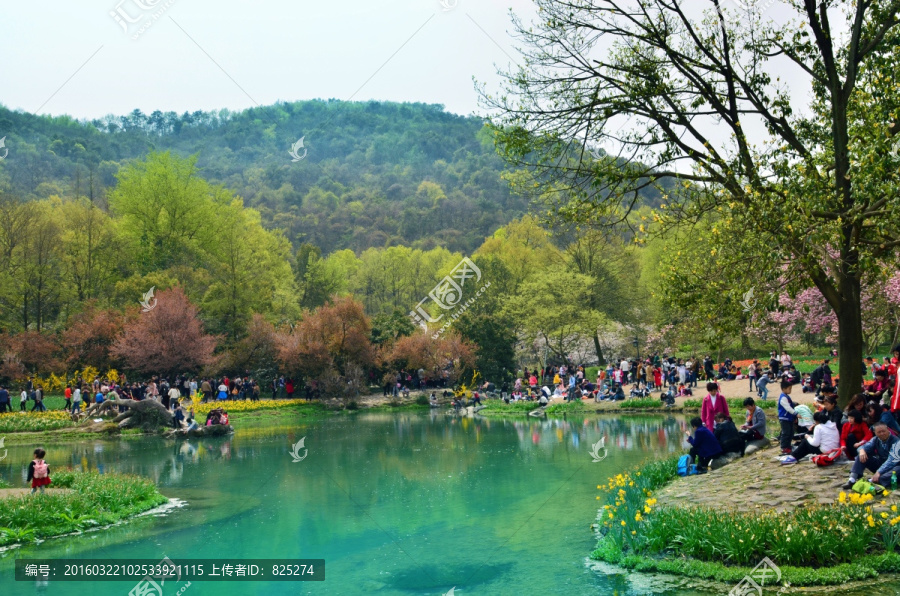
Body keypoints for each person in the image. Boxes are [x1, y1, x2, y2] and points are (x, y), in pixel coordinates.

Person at [843, 422, 899, 489]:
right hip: (881, 464)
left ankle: (874, 481)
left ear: (888, 430)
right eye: (879, 432)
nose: (882, 434)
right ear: (874, 432)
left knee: (897, 470)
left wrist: (879, 472)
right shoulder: (875, 439)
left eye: (883, 431)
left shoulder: (896, 442)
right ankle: (852, 479)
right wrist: (861, 450)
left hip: (894, 467)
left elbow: (891, 461)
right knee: (861, 455)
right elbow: (863, 447)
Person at [777, 380, 798, 454]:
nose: (790, 390)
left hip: (789, 418)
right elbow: (788, 408)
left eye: (790, 388)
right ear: (783, 389)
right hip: (784, 418)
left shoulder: (786, 396)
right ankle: (784, 447)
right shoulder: (783, 397)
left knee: (791, 432)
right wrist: (795, 413)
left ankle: (788, 446)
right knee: (785, 433)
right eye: (789, 389)